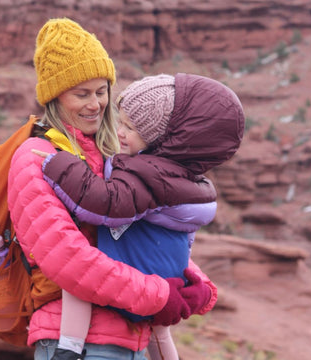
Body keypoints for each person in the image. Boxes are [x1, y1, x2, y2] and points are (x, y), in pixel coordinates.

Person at [7, 18, 219, 360]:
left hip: (133, 338)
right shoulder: (37, 158)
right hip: (77, 345)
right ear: (54, 97)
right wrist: (162, 296)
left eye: (102, 91)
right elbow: (69, 260)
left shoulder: (114, 155)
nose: (96, 104)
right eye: (82, 94)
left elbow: (146, 233)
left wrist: (193, 282)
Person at [36, 73, 245, 359]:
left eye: (130, 128)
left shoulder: (149, 173)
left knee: (78, 278)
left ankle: (69, 347)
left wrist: (61, 165)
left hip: (142, 265)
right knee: (159, 332)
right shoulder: (186, 175)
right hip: (169, 268)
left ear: (160, 139)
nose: (119, 132)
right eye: (120, 122)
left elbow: (105, 204)